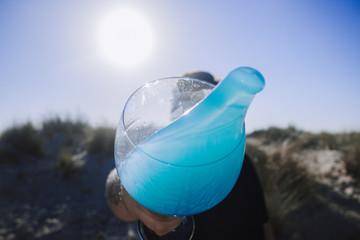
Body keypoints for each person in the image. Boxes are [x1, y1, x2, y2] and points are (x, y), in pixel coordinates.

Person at [106, 71, 275, 240]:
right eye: (182, 101)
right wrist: (128, 193)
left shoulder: (241, 163)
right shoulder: (165, 162)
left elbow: (264, 223)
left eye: (199, 100)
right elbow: (117, 191)